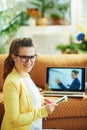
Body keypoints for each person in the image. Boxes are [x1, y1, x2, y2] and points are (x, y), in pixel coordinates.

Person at [1, 38, 57, 130]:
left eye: (32, 56)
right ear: (14, 57)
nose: (29, 62)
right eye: (24, 57)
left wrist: (43, 100)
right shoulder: (12, 83)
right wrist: (43, 111)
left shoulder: (25, 75)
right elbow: (14, 120)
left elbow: (28, 98)